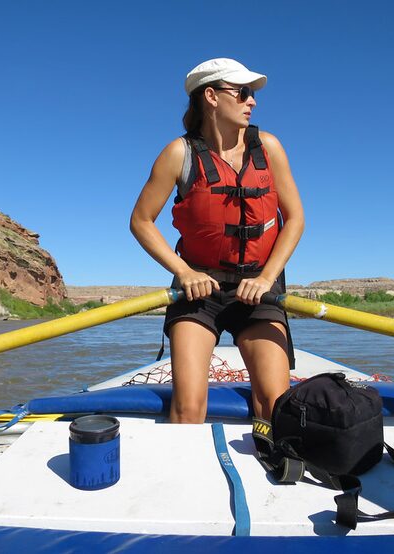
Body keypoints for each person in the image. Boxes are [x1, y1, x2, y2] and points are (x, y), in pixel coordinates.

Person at [130, 58, 304, 423]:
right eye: (242, 92)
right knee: (189, 407)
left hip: (258, 289)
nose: (251, 101)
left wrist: (265, 279)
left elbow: (295, 220)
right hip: (199, 292)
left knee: (274, 404)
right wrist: (184, 272)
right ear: (211, 96)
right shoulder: (179, 153)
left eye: (252, 94)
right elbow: (141, 221)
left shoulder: (269, 148)